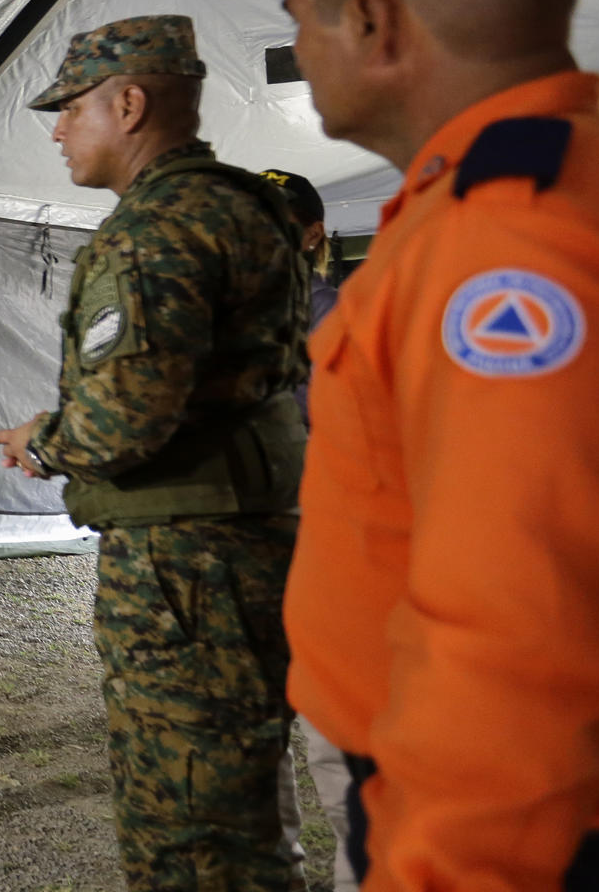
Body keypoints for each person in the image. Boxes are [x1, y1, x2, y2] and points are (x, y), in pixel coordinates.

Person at [218, 0, 599, 890]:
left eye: (299, 14)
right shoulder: (539, 192)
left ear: (373, 20)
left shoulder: (504, 248)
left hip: (528, 838)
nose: (298, 49)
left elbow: (517, 643)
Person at [0, 15, 309, 890]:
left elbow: (125, 420)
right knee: (243, 810)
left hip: (185, 571)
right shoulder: (247, 206)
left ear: (128, 104)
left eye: (70, 110)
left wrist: (46, 443)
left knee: (192, 835)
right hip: (237, 555)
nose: (57, 130)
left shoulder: (155, 230)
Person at [260, 167, 355, 892]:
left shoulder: (336, 323)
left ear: (311, 235)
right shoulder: (222, 323)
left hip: (317, 555)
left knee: (336, 745)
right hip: (243, 563)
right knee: (255, 755)